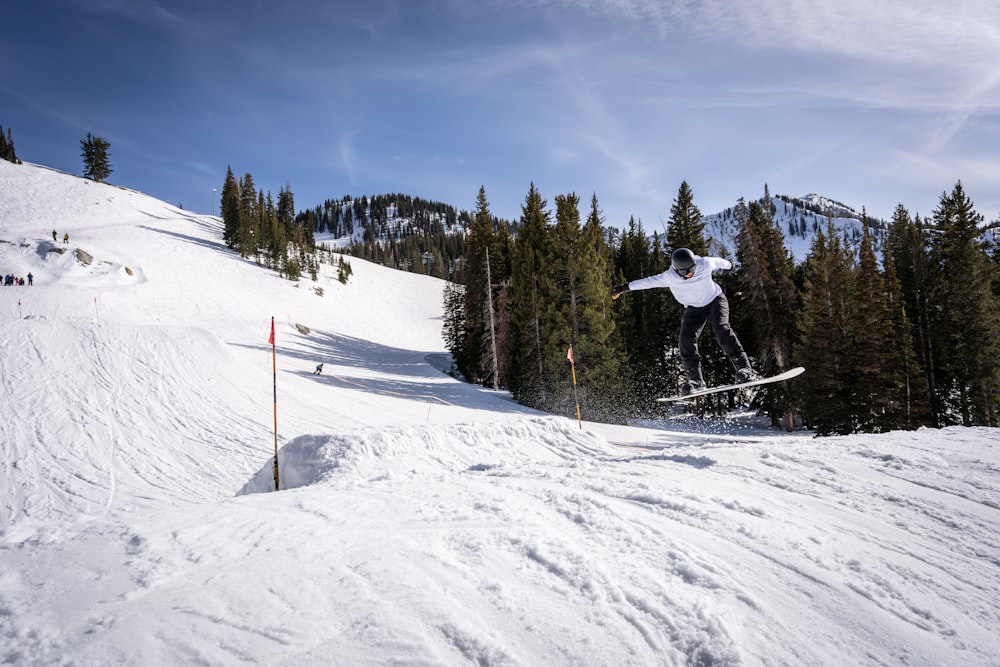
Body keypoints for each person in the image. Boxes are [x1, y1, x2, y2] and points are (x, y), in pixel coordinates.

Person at [612, 247, 758, 395]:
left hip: (715, 301)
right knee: (685, 340)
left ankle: (745, 369)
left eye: (691, 270)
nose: (689, 274)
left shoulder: (704, 263)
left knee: (721, 329)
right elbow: (648, 282)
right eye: (684, 272)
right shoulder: (669, 277)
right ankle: (697, 381)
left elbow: (720, 262)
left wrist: (730, 265)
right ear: (676, 270)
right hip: (694, 309)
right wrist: (623, 288)